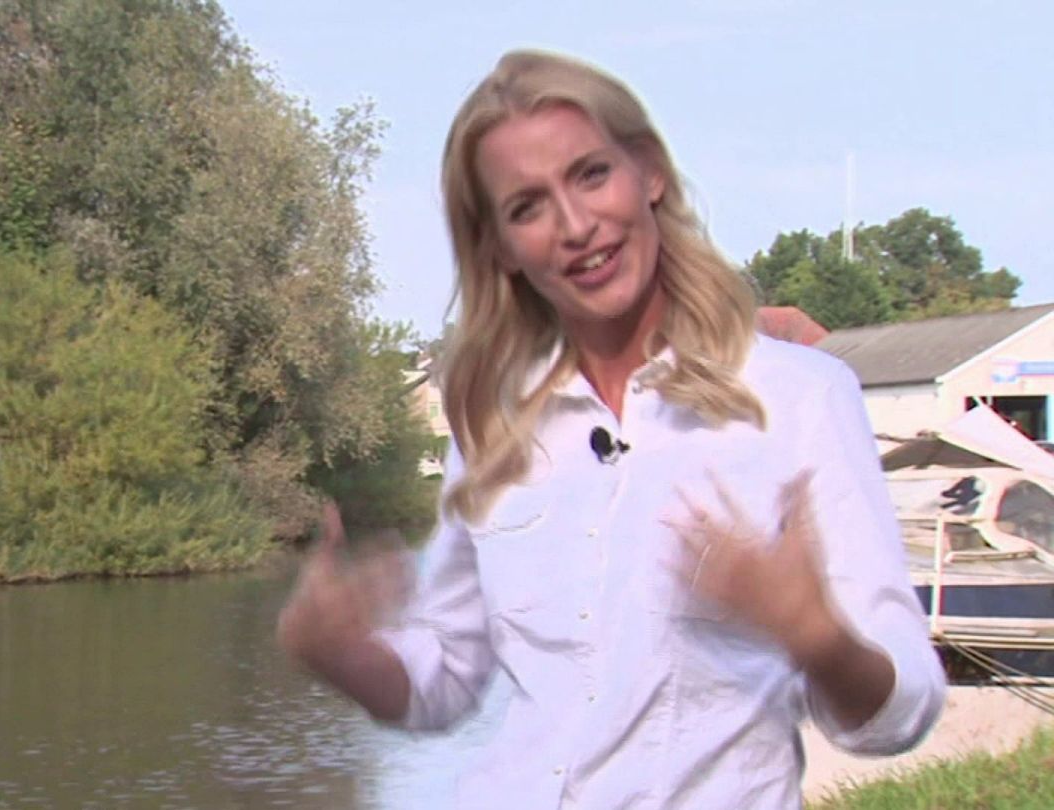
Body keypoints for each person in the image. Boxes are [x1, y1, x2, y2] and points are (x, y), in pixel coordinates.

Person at [277, 49, 946, 808]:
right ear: (498, 247)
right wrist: (340, 654)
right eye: (527, 207)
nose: (574, 224)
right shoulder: (492, 422)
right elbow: (445, 677)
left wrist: (815, 636)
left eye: (591, 175)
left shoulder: (801, 398)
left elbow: (902, 714)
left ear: (649, 172)